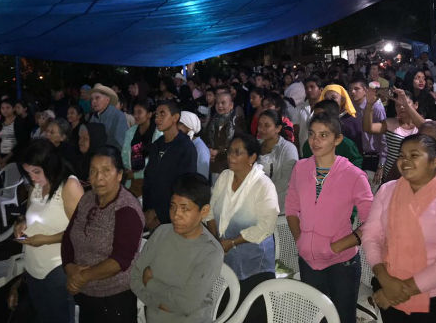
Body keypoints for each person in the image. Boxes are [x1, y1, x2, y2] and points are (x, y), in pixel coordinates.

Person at [362, 134, 436, 322]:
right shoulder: (388, 190)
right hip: (389, 287)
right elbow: (371, 236)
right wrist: (385, 279)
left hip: (434, 302)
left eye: (414, 156)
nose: (405, 161)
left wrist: (398, 291)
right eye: (401, 156)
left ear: (434, 161)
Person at [285, 112, 373, 323]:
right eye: (313, 134)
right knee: (316, 317)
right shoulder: (301, 168)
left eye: (324, 135)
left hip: (341, 263)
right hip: (309, 261)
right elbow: (291, 208)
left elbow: (372, 221)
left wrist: (336, 247)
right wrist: (300, 239)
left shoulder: (353, 175)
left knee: (342, 318)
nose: (315, 141)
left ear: (338, 139)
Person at [61, 146, 144, 323]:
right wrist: (70, 270)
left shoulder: (126, 209)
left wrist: (81, 277)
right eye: (93, 171)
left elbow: (120, 260)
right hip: (84, 292)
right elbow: (68, 238)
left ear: (119, 175)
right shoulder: (87, 198)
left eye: (106, 171)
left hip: (114, 297)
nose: (99, 178)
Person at [205, 133, 279, 323]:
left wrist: (232, 242)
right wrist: (216, 240)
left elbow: (265, 227)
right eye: (230, 152)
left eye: (237, 153)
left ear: (252, 158)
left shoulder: (264, 186)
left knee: (251, 314)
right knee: (225, 311)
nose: (231, 157)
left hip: (254, 264)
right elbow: (210, 210)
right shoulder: (224, 177)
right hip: (225, 256)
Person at [131, 173, 223, 323]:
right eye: (172, 207)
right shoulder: (162, 232)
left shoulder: (211, 252)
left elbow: (186, 304)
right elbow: (135, 278)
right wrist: (159, 304)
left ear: (204, 211)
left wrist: (150, 283)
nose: (176, 215)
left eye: (185, 209)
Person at [9, 139, 84, 323]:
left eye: (36, 171)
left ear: (50, 164)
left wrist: (46, 240)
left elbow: (82, 231)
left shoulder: (69, 186)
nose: (33, 177)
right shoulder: (37, 185)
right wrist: (21, 223)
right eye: (28, 173)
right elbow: (31, 215)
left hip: (57, 268)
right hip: (33, 266)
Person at [143, 100, 197, 229]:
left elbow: (184, 186)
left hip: (172, 214)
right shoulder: (157, 145)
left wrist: (160, 214)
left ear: (175, 118)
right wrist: (148, 210)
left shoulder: (185, 147)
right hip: (151, 213)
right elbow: (148, 180)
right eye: (156, 115)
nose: (158, 118)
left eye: (162, 114)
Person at [363, 88, 425, 180]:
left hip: (415, 176)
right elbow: (368, 128)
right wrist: (369, 105)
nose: (401, 107)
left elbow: (426, 127)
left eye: (405, 104)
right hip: (392, 176)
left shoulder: (423, 124)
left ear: (416, 105)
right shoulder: (390, 123)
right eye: (397, 105)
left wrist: (407, 106)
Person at [256, 109, 298, 210]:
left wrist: (262, 192)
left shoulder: (288, 149)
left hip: (279, 204)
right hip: (257, 203)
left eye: (267, 125)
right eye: (260, 125)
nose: (261, 129)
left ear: (278, 128)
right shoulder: (255, 145)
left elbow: (286, 180)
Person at [302, 100, 364, 168]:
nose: (317, 119)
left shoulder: (346, 145)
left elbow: (356, 168)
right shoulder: (309, 145)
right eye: (315, 116)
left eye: (321, 116)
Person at [349, 77, 387, 180]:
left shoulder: (377, 107)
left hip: (374, 158)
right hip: (359, 157)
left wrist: (381, 165)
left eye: (356, 89)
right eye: (350, 89)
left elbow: (384, 138)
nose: (353, 92)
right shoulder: (352, 108)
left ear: (365, 90)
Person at [122, 100, 162, 197]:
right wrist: (128, 172)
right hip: (130, 180)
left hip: (150, 181)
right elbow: (124, 155)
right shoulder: (131, 132)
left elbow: (157, 162)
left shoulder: (158, 134)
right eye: (134, 112)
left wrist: (136, 175)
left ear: (149, 114)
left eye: (139, 112)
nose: (135, 115)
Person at [204, 92, 246, 182]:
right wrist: (209, 149)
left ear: (231, 105)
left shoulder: (237, 122)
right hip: (214, 164)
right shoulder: (213, 120)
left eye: (223, 103)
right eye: (217, 103)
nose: (219, 106)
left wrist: (219, 152)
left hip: (229, 165)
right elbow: (206, 137)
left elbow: (239, 145)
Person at [320, 84, 362, 152]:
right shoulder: (321, 121)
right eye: (326, 99)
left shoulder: (352, 122)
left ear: (342, 100)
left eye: (333, 98)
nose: (329, 101)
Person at [89, 84, 128, 151]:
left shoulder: (118, 116)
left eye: (97, 98)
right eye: (92, 99)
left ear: (107, 100)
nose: (93, 101)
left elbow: (121, 143)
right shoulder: (93, 117)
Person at [178, 111, 210, 180]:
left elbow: (202, 179)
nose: (176, 127)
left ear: (189, 127)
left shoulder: (201, 149)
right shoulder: (182, 144)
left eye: (179, 124)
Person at [295, 75, 322, 155]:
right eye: (306, 88)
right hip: (304, 151)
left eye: (312, 87)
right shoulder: (299, 108)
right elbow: (296, 132)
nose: (309, 90)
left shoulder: (326, 108)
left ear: (320, 90)